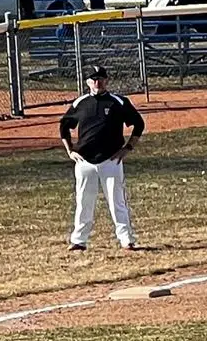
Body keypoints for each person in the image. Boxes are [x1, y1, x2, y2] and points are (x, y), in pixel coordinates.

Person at [59, 63, 146, 252]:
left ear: (107, 80)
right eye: (94, 79)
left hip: (111, 160)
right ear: (88, 82)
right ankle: (79, 240)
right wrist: (70, 150)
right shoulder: (80, 103)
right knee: (84, 201)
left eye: (101, 79)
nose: (98, 82)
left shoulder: (118, 102)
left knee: (117, 201)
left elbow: (138, 124)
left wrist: (128, 148)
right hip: (84, 161)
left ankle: (126, 240)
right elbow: (64, 126)